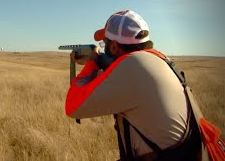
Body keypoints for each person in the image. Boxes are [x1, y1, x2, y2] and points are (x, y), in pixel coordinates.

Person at [65, 10, 201, 160]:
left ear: (114, 47)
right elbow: (113, 79)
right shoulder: (156, 59)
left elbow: (73, 106)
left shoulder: (131, 66)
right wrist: (97, 61)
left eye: (104, 43)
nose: (103, 47)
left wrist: (92, 62)